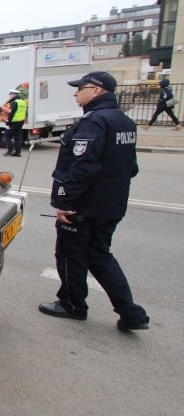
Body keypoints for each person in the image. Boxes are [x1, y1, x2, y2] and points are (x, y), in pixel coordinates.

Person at [39, 71, 150, 331]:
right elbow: (130, 167)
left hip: (84, 206)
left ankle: (71, 305)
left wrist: (65, 202)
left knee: (70, 255)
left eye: (81, 88)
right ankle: (131, 313)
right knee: (100, 257)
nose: (76, 93)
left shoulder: (94, 121)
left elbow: (83, 167)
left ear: (98, 91)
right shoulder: (123, 121)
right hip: (111, 205)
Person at [2, 88, 26, 157]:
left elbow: (11, 113)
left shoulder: (15, 103)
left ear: (13, 95)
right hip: (20, 123)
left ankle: (10, 151)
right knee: (18, 138)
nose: (9, 96)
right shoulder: (23, 102)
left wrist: (8, 122)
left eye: (10, 94)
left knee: (7, 136)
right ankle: (18, 152)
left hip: (13, 123)